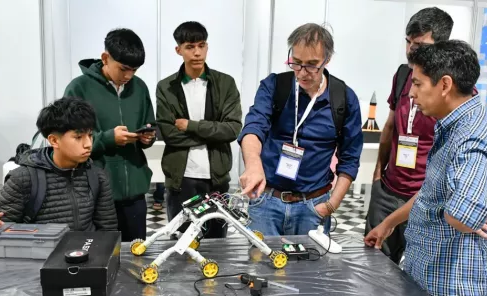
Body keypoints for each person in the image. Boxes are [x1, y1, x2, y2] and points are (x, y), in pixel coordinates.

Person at [365, 40, 487, 296]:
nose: (410, 93)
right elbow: (435, 191)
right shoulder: (457, 125)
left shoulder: (470, 139)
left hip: (447, 281)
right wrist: (389, 224)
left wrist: (468, 214)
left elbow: (463, 216)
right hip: (430, 271)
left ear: (444, 85)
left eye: (418, 84)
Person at [238, 23, 363, 236]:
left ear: (327, 59)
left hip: (313, 206)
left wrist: (331, 205)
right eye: (296, 63)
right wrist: (253, 165)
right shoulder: (275, 86)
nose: (302, 73)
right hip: (267, 203)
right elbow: (253, 127)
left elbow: (350, 158)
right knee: (260, 266)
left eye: (312, 65)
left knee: (309, 269)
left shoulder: (343, 98)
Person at [365, 7, 455, 264]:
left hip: (424, 198)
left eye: (419, 44)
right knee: (373, 264)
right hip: (388, 189)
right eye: (408, 42)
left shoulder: (451, 87)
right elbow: (391, 125)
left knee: (417, 276)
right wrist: (377, 174)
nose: (410, 50)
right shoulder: (403, 74)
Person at [64, 28, 156, 242]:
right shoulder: (79, 89)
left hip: (135, 191)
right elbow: (70, 142)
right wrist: (108, 138)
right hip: (96, 192)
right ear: (105, 58)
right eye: (123, 69)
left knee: (136, 255)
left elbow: (149, 123)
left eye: (135, 70)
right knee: (100, 256)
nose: (129, 76)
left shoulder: (139, 88)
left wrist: (147, 138)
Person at [156, 21, 242, 238]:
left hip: (217, 176)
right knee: (182, 240)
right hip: (180, 176)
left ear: (207, 47)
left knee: (216, 242)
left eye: (201, 46)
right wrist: (212, 135)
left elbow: (232, 129)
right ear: (179, 50)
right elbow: (169, 133)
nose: (197, 53)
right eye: (189, 47)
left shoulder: (225, 83)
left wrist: (191, 126)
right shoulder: (166, 87)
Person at [0, 97, 117, 231]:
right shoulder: (23, 178)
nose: (88, 144)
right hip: (41, 250)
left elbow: (107, 230)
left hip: (87, 249)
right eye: (78, 137)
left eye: (90, 135)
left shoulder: (97, 176)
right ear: (54, 140)